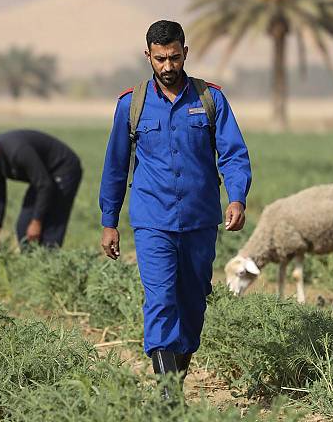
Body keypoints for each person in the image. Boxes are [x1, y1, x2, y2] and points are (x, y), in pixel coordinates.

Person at [99, 20, 252, 397]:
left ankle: (175, 378)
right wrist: (109, 221)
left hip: (200, 218)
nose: (168, 66)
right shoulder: (130, 105)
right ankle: (169, 397)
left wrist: (237, 197)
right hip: (152, 219)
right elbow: (116, 166)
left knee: (193, 300)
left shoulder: (209, 99)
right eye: (160, 59)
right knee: (161, 298)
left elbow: (233, 154)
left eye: (174, 57)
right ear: (148, 56)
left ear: (186, 52)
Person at [0, 129, 82, 254]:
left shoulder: (18, 151)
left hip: (63, 168)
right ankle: (31, 265)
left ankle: (50, 266)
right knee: (24, 226)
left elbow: (44, 185)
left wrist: (37, 221)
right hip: (43, 176)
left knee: (51, 227)